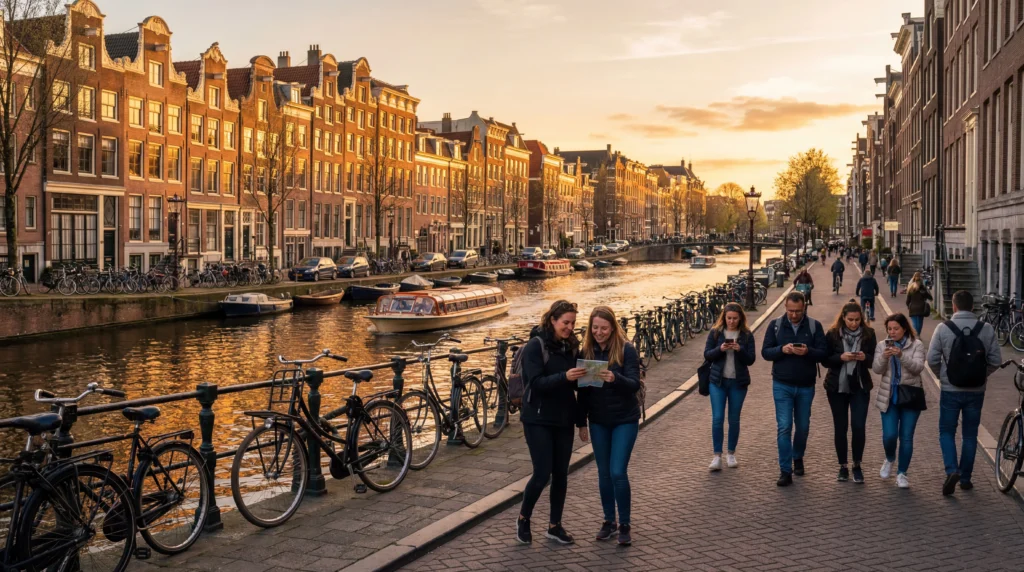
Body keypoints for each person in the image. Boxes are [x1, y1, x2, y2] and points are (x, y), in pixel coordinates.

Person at [517, 300, 587, 546]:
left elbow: (577, 388)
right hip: (537, 418)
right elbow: (535, 383)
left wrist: (582, 422)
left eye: (573, 323)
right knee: (542, 472)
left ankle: (554, 526)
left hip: (563, 418)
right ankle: (524, 518)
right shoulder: (535, 347)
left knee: (561, 474)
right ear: (553, 321)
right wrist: (564, 376)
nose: (569, 328)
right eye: (565, 323)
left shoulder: (573, 347)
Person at [576, 306, 642, 546]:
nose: (599, 332)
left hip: (625, 419)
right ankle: (609, 521)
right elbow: (582, 392)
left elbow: (634, 383)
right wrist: (581, 423)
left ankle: (624, 523)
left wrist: (616, 379)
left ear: (613, 327)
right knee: (603, 473)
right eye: (595, 327)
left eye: (604, 328)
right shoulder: (586, 351)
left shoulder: (626, 350)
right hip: (598, 421)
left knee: (617, 472)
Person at [927, 291, 1003, 496]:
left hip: (951, 390)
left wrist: (943, 377)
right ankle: (966, 478)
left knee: (946, 431)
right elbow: (996, 360)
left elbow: (932, 358)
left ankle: (952, 470)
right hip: (976, 391)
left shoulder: (943, 328)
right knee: (970, 435)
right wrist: (981, 375)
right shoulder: (986, 329)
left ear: (953, 306)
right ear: (973, 306)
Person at [762, 291, 828, 486]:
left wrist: (808, 352)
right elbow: (765, 352)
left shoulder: (815, 326)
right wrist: (781, 350)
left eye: (798, 311)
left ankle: (797, 456)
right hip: (782, 384)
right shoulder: (775, 325)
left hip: (806, 385)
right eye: (790, 311)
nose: (793, 315)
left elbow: (823, 354)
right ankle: (785, 470)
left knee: (803, 427)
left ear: (804, 308)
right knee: (784, 427)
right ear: (785, 307)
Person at [822, 301, 877, 483]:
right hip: (837, 386)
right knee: (841, 426)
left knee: (858, 425)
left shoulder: (869, 334)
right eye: (850, 320)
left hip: (860, 385)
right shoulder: (832, 334)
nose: (854, 323)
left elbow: (875, 361)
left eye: (857, 320)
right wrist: (840, 357)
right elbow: (825, 360)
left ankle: (857, 464)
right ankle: (843, 466)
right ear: (843, 318)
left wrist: (864, 357)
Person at [871, 313, 927, 489]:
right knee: (889, 436)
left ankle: (902, 473)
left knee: (906, 437)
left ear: (904, 328)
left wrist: (902, 355)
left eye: (896, 329)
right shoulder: (882, 345)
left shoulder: (917, 345)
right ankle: (889, 458)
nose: (892, 332)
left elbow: (918, 368)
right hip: (889, 396)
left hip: (910, 396)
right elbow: (877, 369)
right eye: (889, 329)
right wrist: (884, 357)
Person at [702, 303, 757, 471]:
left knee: (734, 419)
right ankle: (717, 456)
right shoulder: (716, 333)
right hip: (718, 382)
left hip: (738, 383)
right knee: (717, 418)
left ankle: (731, 453)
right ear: (724, 318)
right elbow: (707, 355)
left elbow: (751, 360)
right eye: (729, 318)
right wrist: (720, 348)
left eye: (735, 318)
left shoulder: (747, 335)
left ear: (740, 318)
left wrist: (740, 349)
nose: (731, 321)